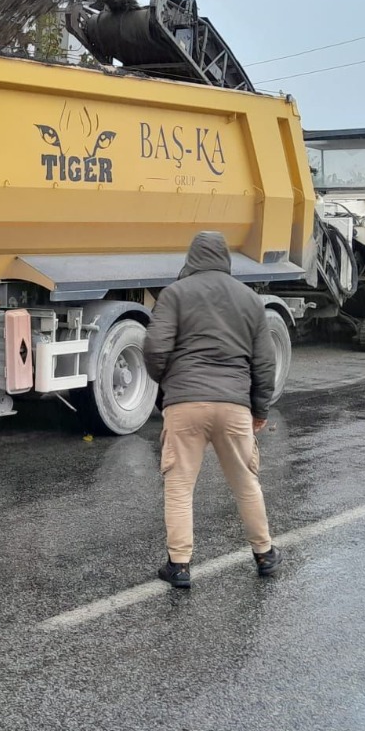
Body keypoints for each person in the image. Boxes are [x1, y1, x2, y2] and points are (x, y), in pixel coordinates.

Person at [142, 231, 281, 589]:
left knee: (179, 485)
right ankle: (264, 554)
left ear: (191, 257)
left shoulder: (174, 294)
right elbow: (265, 362)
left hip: (185, 402)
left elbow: (155, 348)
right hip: (234, 404)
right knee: (245, 482)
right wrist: (259, 408)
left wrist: (169, 382)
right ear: (225, 258)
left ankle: (180, 565)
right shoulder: (249, 299)